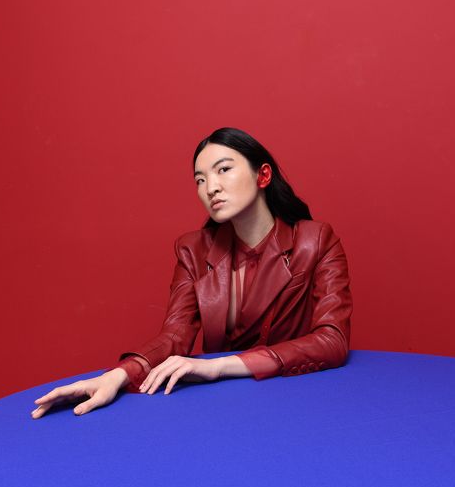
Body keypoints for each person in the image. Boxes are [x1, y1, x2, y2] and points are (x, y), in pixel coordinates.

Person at [31, 127, 352, 419]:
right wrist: (118, 375)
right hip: (224, 408)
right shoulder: (193, 250)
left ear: (263, 175)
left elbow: (332, 340)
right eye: (200, 179)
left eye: (223, 170)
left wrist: (219, 366)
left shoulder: (315, 240)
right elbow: (175, 336)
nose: (211, 187)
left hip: (295, 401)